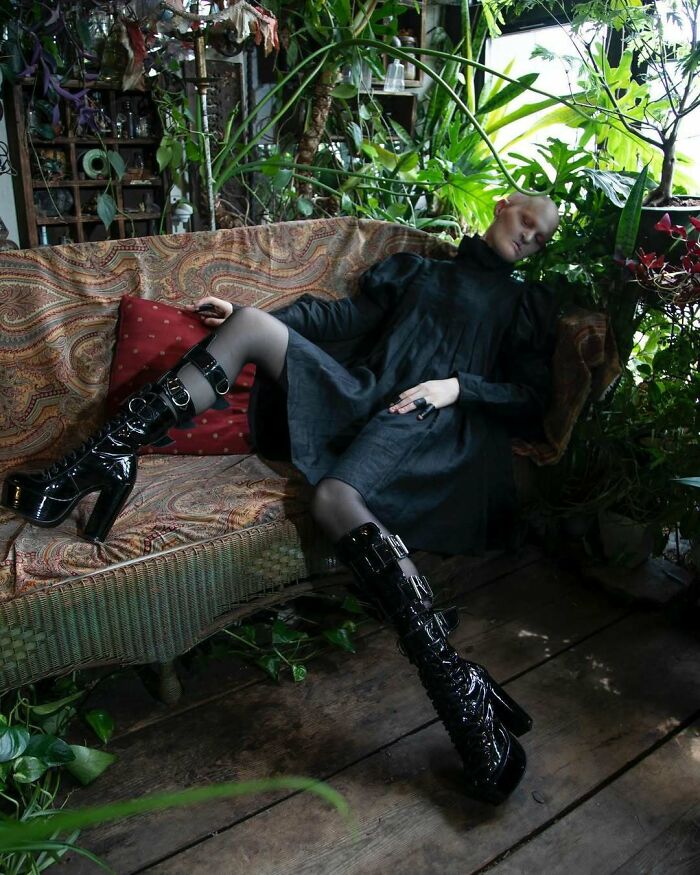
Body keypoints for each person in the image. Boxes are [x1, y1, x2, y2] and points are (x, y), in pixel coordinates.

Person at [2, 192, 561, 806]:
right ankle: (101, 459)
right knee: (249, 326)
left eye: (541, 238)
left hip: (426, 420)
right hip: (363, 394)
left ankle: (459, 690)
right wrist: (248, 313)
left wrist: (455, 387)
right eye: (527, 221)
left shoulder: (523, 304)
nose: (529, 237)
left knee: (333, 499)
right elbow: (341, 320)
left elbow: (530, 398)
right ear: (503, 206)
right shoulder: (417, 271)